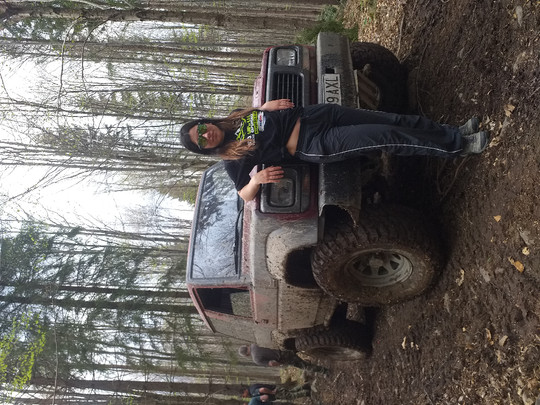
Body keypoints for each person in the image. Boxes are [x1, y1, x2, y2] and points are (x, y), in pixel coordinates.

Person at [180, 100, 489, 202]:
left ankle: (453, 132)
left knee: (393, 120)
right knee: (387, 136)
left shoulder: (235, 117)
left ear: (204, 121)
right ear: (205, 149)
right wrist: (256, 181)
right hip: (315, 142)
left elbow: (261, 120)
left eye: (201, 129)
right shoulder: (231, 159)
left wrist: (263, 107)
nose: (207, 135)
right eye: (201, 141)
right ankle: (458, 147)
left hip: (316, 115)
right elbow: (243, 195)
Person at [238, 343, 328, 374]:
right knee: (305, 346)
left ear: (246, 355)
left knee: (304, 366)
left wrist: (280, 364)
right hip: (284, 346)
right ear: (246, 346)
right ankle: (326, 349)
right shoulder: (255, 343)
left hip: (284, 357)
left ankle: (324, 371)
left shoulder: (256, 359)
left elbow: (271, 363)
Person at [242, 382, 312, 404]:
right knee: (290, 391)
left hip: (274, 392)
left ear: (244, 391)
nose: (245, 397)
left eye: (243, 395)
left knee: (290, 396)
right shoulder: (252, 387)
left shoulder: (253, 392)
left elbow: (262, 389)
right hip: (274, 388)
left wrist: (271, 392)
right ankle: (303, 387)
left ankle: (306, 393)